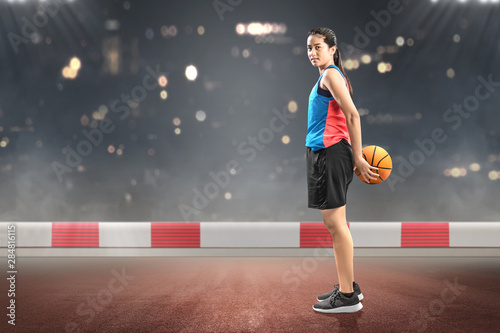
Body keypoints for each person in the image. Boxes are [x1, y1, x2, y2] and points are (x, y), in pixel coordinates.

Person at [305, 27, 379, 314]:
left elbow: (352, 114)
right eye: (309, 48)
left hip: (330, 153)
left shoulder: (331, 74)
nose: (312, 52)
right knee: (336, 224)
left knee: (336, 225)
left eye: (318, 47)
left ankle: (347, 297)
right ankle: (348, 286)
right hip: (327, 152)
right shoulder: (330, 75)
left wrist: (358, 156)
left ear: (333, 49)